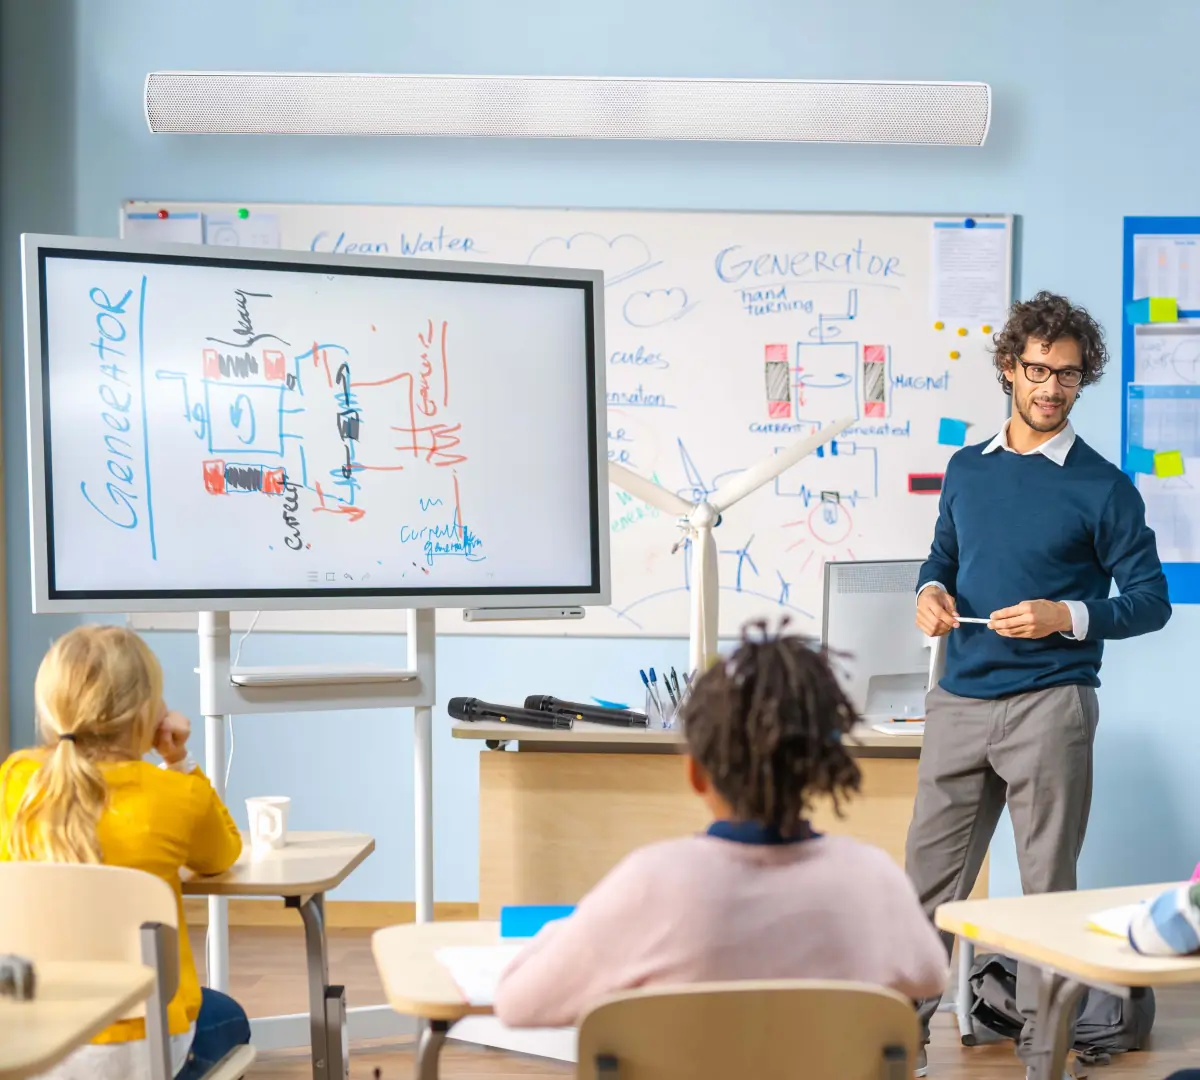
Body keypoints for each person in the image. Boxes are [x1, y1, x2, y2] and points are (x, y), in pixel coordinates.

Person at [907, 292, 1172, 1074]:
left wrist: (1067, 615)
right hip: (958, 699)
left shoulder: (1104, 486)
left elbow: (1150, 602)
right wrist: (928, 593)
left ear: (1082, 380)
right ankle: (896, 1046)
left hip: (1050, 706)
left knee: (1045, 896)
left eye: (1068, 375)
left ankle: (1042, 1054)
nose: (1051, 388)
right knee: (926, 889)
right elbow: (941, 561)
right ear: (1008, 369)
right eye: (1037, 370)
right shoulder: (966, 470)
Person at [493, 621, 948, 1029]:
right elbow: (930, 973)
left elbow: (517, 1003)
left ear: (695, 772)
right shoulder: (872, 877)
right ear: (818, 767)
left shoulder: (653, 882)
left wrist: (566, 932)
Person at [0, 625, 249, 1080]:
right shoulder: (174, 795)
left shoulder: (16, 780)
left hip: (33, 1045)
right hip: (144, 1050)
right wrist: (179, 760)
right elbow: (221, 856)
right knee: (229, 1016)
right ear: (148, 713)